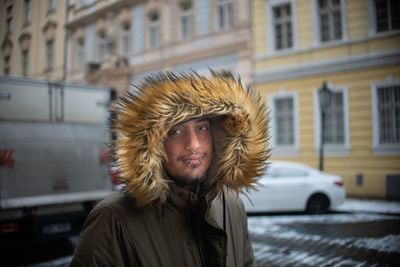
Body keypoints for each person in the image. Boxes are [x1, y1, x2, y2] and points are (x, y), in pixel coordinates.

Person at [69, 70, 270, 267]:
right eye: (176, 131)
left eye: (201, 128)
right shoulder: (112, 220)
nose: (193, 144)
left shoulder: (231, 204)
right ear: (153, 144)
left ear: (219, 136)